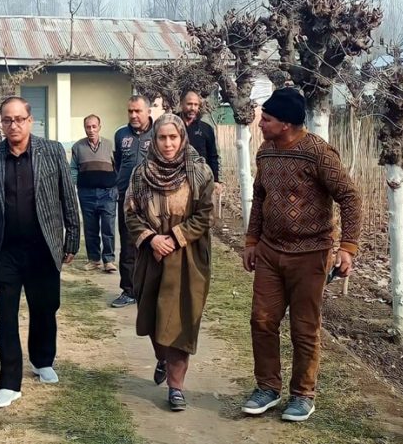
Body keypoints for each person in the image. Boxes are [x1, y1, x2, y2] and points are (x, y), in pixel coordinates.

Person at [241, 88, 362, 422]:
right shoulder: (265, 152)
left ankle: (302, 395)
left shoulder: (318, 153)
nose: (260, 124)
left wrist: (347, 248)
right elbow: (259, 195)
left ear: (286, 124)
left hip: (312, 255)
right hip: (269, 251)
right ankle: (267, 387)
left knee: (304, 328)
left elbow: (350, 197)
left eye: (266, 119)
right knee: (262, 320)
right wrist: (252, 240)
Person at [0, 96, 80, 409]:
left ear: (31, 121)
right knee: (6, 314)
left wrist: (72, 236)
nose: (13, 125)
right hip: (4, 250)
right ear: (1, 123)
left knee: (45, 307)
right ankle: (9, 383)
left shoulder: (52, 151)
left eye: (19, 119)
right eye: (7, 120)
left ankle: (42, 359)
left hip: (43, 247)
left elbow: (66, 195)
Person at [125, 113, 214, 411]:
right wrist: (152, 239)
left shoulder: (200, 172)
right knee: (152, 316)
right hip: (152, 255)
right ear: (154, 140)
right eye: (162, 138)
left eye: (173, 137)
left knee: (179, 320)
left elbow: (204, 215)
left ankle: (176, 387)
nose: (167, 144)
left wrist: (174, 238)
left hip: (186, 256)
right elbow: (131, 213)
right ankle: (161, 357)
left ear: (182, 138)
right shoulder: (140, 174)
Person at [112, 95, 154, 308]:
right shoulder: (120, 134)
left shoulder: (159, 133)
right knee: (128, 245)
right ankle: (128, 290)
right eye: (130, 111)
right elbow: (118, 162)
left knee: (151, 243)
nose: (134, 115)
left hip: (152, 200)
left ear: (148, 111)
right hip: (126, 199)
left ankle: (150, 289)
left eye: (138, 111)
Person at [70, 114, 118, 273]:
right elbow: (73, 170)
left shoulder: (110, 145)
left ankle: (109, 260)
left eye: (94, 126)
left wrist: (115, 188)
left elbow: (117, 168)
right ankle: (94, 259)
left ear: (99, 127)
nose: (91, 130)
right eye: (88, 127)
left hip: (107, 194)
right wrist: (74, 185)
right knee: (90, 229)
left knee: (108, 228)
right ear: (84, 128)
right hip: (87, 194)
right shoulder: (77, 147)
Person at [177, 90, 221, 188]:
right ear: (181, 104)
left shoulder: (206, 128)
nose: (193, 108)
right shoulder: (172, 125)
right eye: (189, 104)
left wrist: (216, 180)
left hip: (201, 180)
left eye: (196, 105)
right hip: (176, 179)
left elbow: (213, 156)